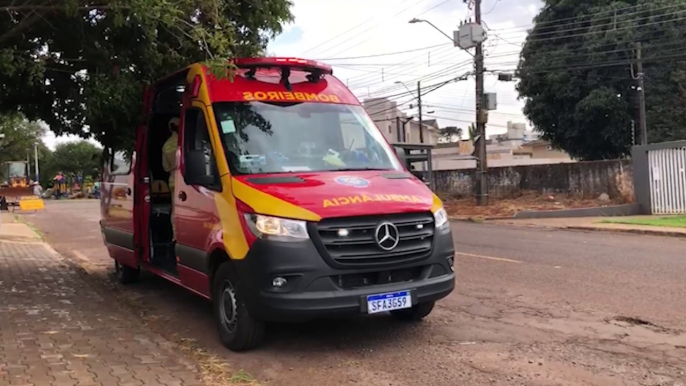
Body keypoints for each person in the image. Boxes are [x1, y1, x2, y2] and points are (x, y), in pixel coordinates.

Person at [162, 117, 179, 240]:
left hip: (172, 180)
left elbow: (165, 167)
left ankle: (175, 236)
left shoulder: (166, 145)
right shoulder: (183, 141)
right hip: (184, 181)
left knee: (174, 209)